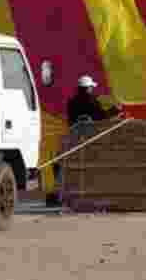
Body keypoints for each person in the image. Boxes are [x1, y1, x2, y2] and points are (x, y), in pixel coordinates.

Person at [47, 75, 122, 207]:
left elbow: (71, 120)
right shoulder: (93, 101)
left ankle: (59, 191)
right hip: (90, 137)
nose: (92, 90)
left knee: (61, 162)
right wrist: (116, 111)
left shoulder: (71, 102)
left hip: (73, 136)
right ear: (88, 88)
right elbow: (101, 117)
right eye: (91, 88)